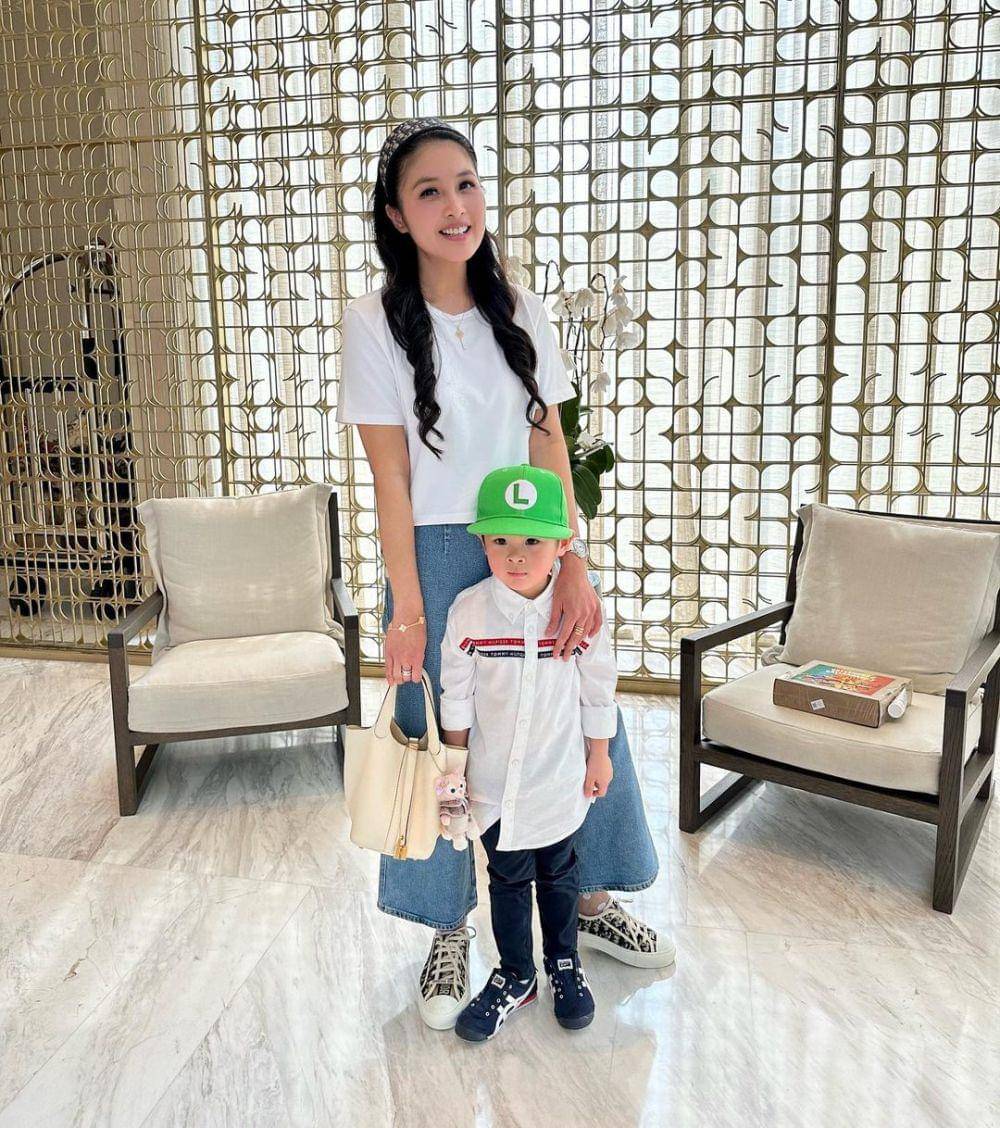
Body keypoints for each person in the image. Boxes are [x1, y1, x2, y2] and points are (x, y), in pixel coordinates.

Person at [336, 116, 673, 1032]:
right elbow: (391, 478)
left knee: (571, 699)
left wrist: (574, 558)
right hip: (437, 549)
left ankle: (589, 896)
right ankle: (448, 925)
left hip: (534, 538)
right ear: (398, 216)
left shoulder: (519, 308)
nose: (456, 206)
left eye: (467, 183)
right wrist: (408, 607)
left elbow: (547, 440)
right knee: (437, 734)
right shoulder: (372, 322)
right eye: (430, 191)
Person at [441, 464, 618, 1041]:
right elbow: (456, 693)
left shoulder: (580, 614)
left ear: (563, 545)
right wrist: (455, 768)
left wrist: (599, 754)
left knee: (560, 875)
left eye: (533, 541)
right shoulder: (469, 612)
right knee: (508, 880)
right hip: (492, 785)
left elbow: (597, 686)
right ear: (482, 544)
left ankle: (563, 963)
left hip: (558, 779)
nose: (515, 556)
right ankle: (516, 974)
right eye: (501, 541)